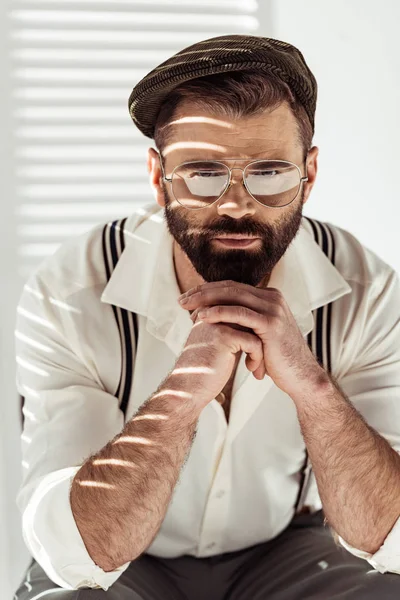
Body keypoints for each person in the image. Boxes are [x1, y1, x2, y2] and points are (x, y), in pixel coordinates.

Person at [13, 34, 400, 600]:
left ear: (309, 175)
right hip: (127, 563)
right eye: (203, 172)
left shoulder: (364, 293)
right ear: (157, 176)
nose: (237, 205)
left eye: (270, 173)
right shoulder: (71, 293)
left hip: (285, 551)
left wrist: (314, 388)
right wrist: (181, 396)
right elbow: (76, 553)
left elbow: (390, 536)